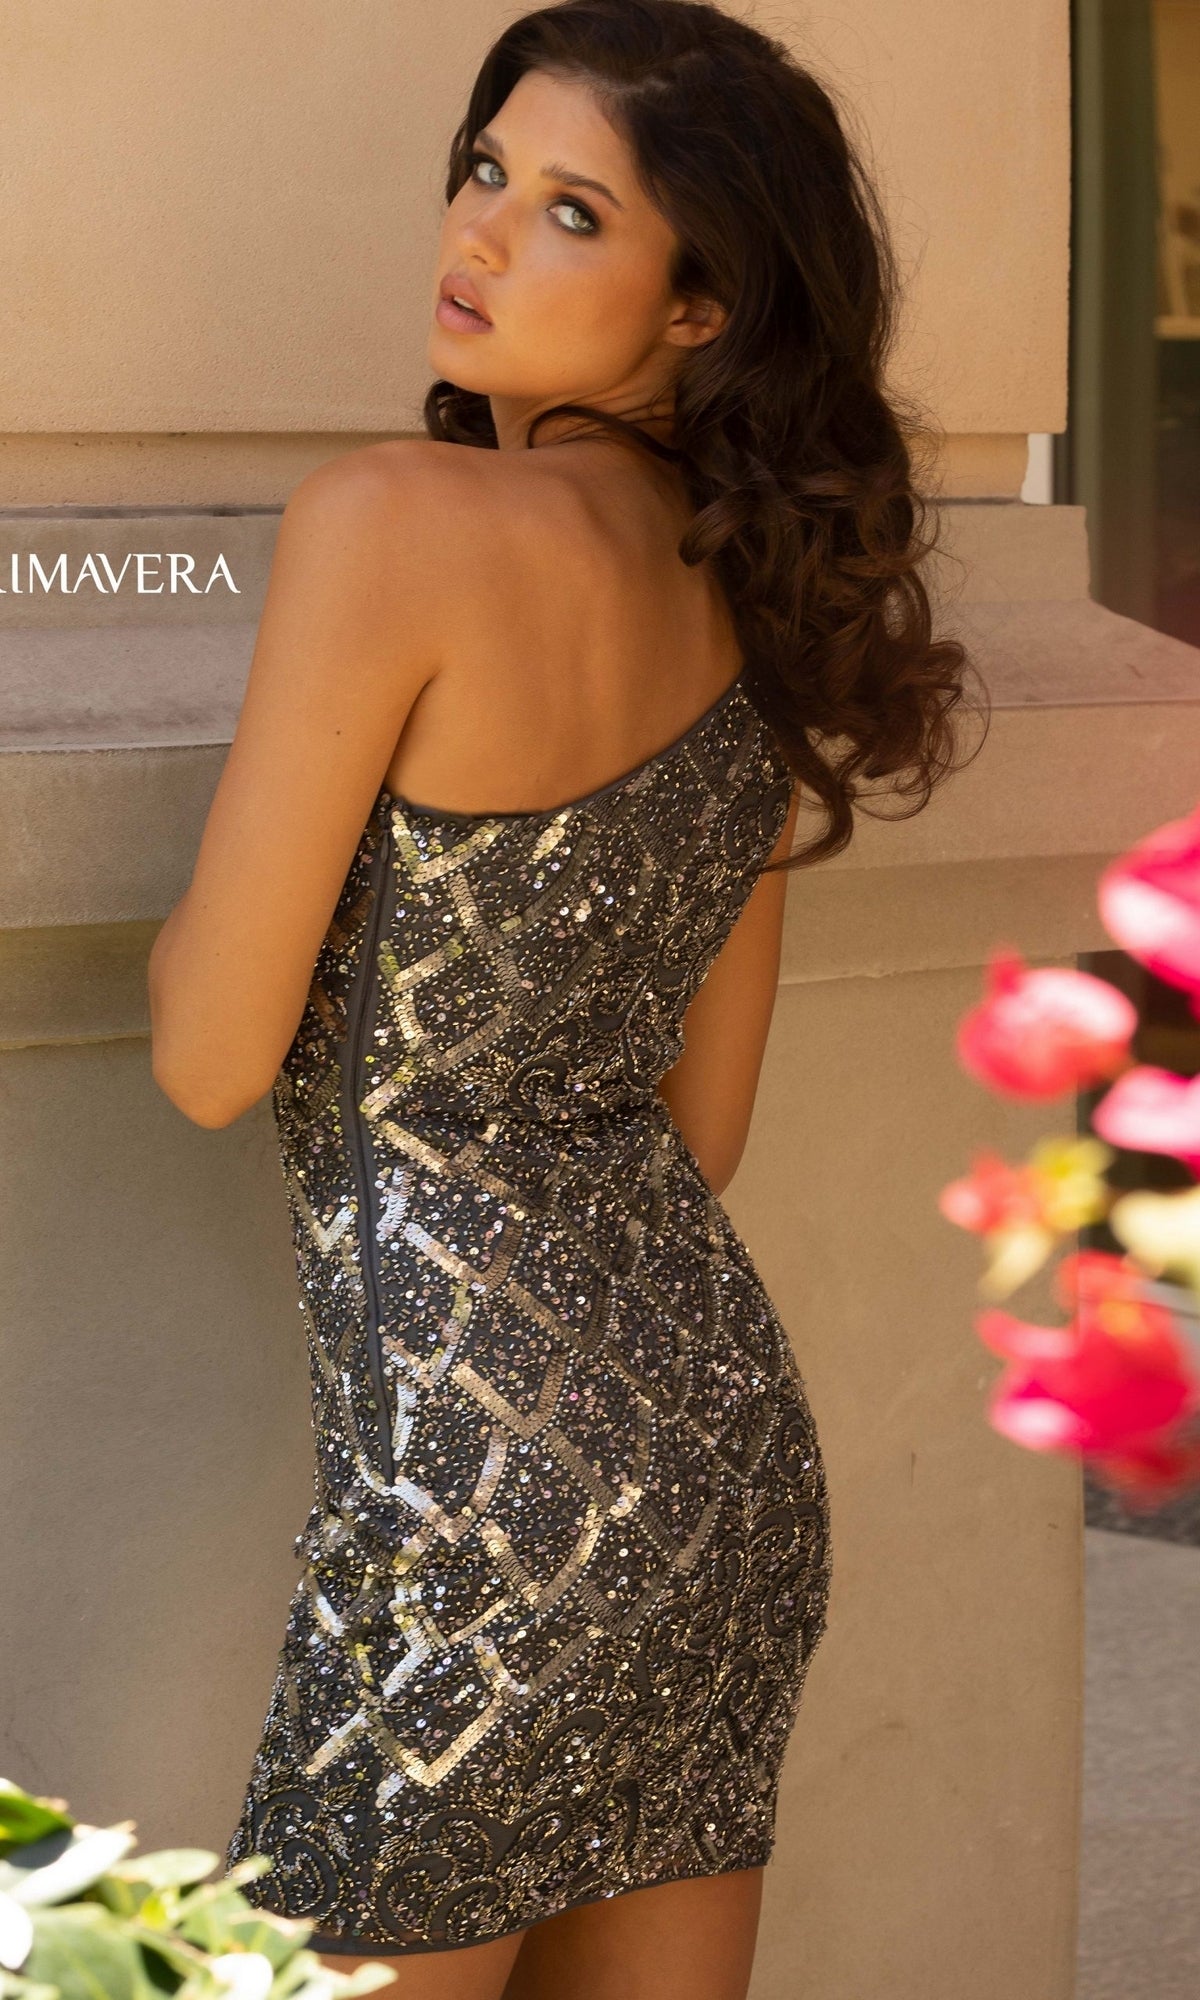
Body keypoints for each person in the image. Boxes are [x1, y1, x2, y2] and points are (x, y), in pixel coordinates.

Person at [148, 3, 981, 1995]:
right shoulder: (759, 599)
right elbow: (701, 1133)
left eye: (573, 209)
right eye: (486, 171)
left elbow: (205, 1055)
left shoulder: (391, 523)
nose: (488, 232)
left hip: (476, 1488)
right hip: (725, 1465)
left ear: (704, 304)